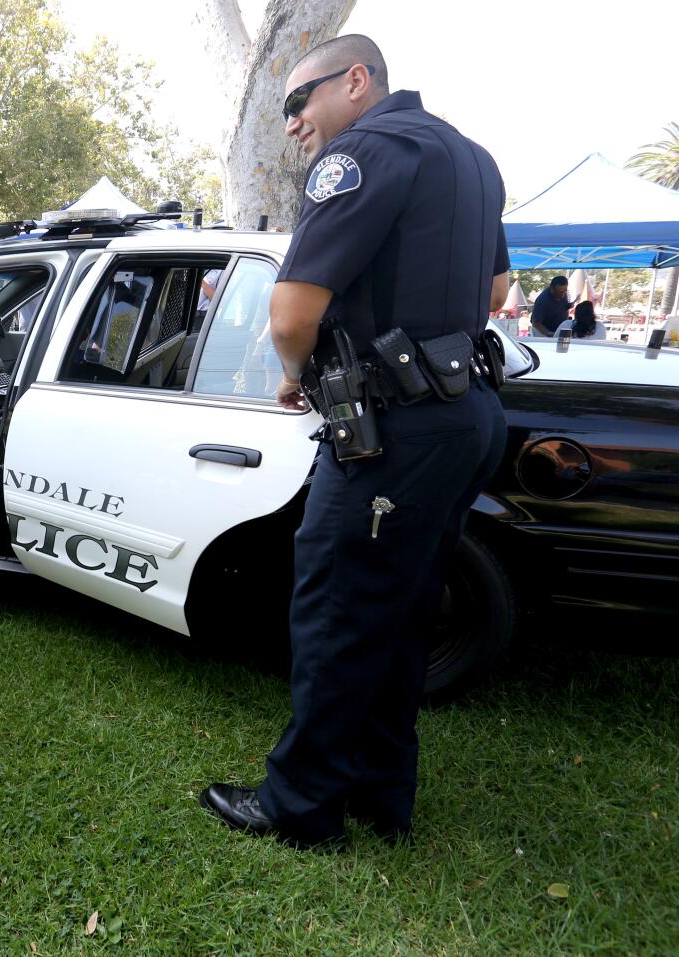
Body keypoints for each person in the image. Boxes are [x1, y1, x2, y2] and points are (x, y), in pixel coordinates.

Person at [199, 34, 509, 848]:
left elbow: (291, 314)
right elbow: (499, 288)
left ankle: (299, 806)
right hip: (465, 415)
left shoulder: (359, 154)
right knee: (401, 610)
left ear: (358, 81)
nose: (294, 121)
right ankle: (382, 792)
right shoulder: (471, 157)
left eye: (301, 100)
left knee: (336, 609)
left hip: (394, 430)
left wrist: (294, 371)